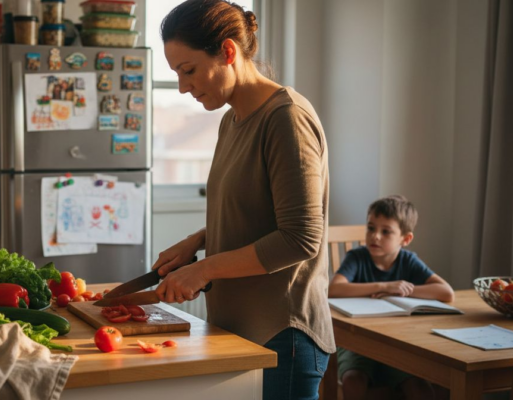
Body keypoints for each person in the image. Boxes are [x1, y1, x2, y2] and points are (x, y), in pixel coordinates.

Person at [153, 1, 334, 398]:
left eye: (189, 70)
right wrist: (197, 242)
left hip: (282, 335)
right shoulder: (231, 120)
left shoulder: (286, 118)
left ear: (228, 52)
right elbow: (255, 208)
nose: (183, 87)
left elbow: (300, 238)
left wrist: (203, 271)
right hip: (241, 330)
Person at [328, 195, 454, 400]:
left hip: (399, 346)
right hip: (357, 343)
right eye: (371, 228)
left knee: (420, 388)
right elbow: (334, 289)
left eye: (385, 231)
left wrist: (402, 290)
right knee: (353, 382)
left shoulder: (408, 260)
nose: (375, 236)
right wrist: (383, 286)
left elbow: (446, 292)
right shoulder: (357, 257)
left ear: (405, 239)